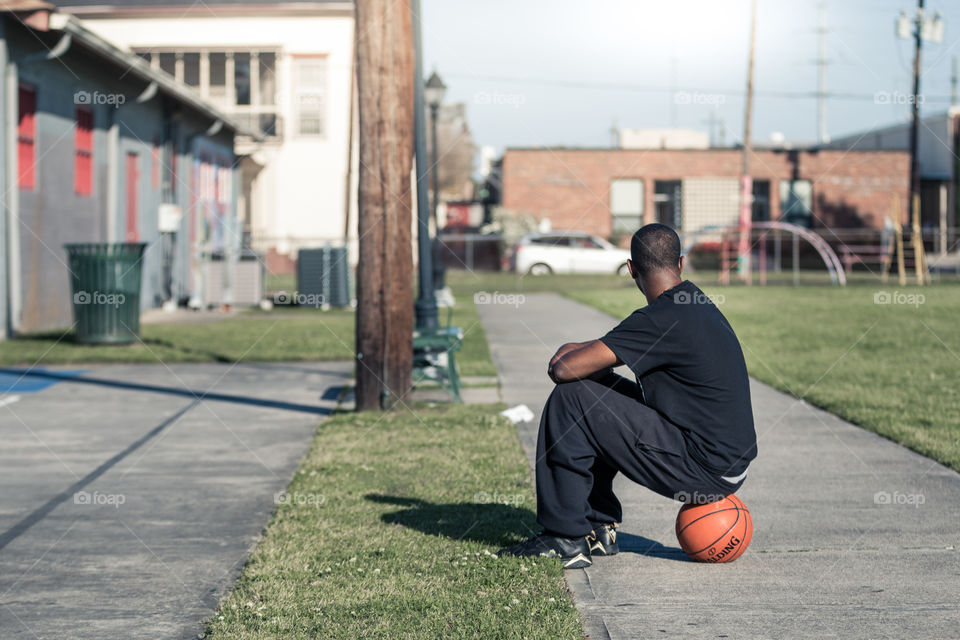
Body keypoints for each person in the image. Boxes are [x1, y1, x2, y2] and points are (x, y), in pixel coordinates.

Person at [498, 223, 758, 569]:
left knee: (572, 398)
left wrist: (570, 355)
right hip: (728, 465)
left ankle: (565, 538)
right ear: (680, 264)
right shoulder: (692, 303)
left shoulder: (660, 318)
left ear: (631, 268)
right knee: (599, 392)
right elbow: (597, 356)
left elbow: (565, 370)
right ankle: (597, 527)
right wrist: (583, 357)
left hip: (703, 470)